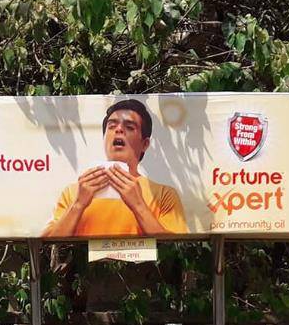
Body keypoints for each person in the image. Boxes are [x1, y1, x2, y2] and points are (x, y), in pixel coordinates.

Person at [43, 99, 188, 238]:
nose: (119, 129)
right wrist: (78, 204)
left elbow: (176, 249)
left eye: (129, 127)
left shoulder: (163, 195)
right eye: (112, 126)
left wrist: (138, 205)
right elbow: (48, 246)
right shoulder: (74, 192)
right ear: (104, 137)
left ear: (145, 144)